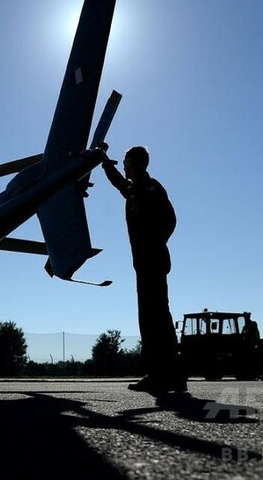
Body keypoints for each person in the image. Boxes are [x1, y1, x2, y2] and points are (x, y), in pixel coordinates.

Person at [94, 144, 185, 393]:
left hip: (152, 260)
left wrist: (154, 244)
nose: (123, 165)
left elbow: (170, 219)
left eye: (125, 161)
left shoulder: (151, 188)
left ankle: (162, 374)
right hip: (144, 262)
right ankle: (169, 374)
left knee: (154, 316)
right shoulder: (135, 189)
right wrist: (104, 162)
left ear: (133, 163)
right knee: (154, 315)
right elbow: (120, 185)